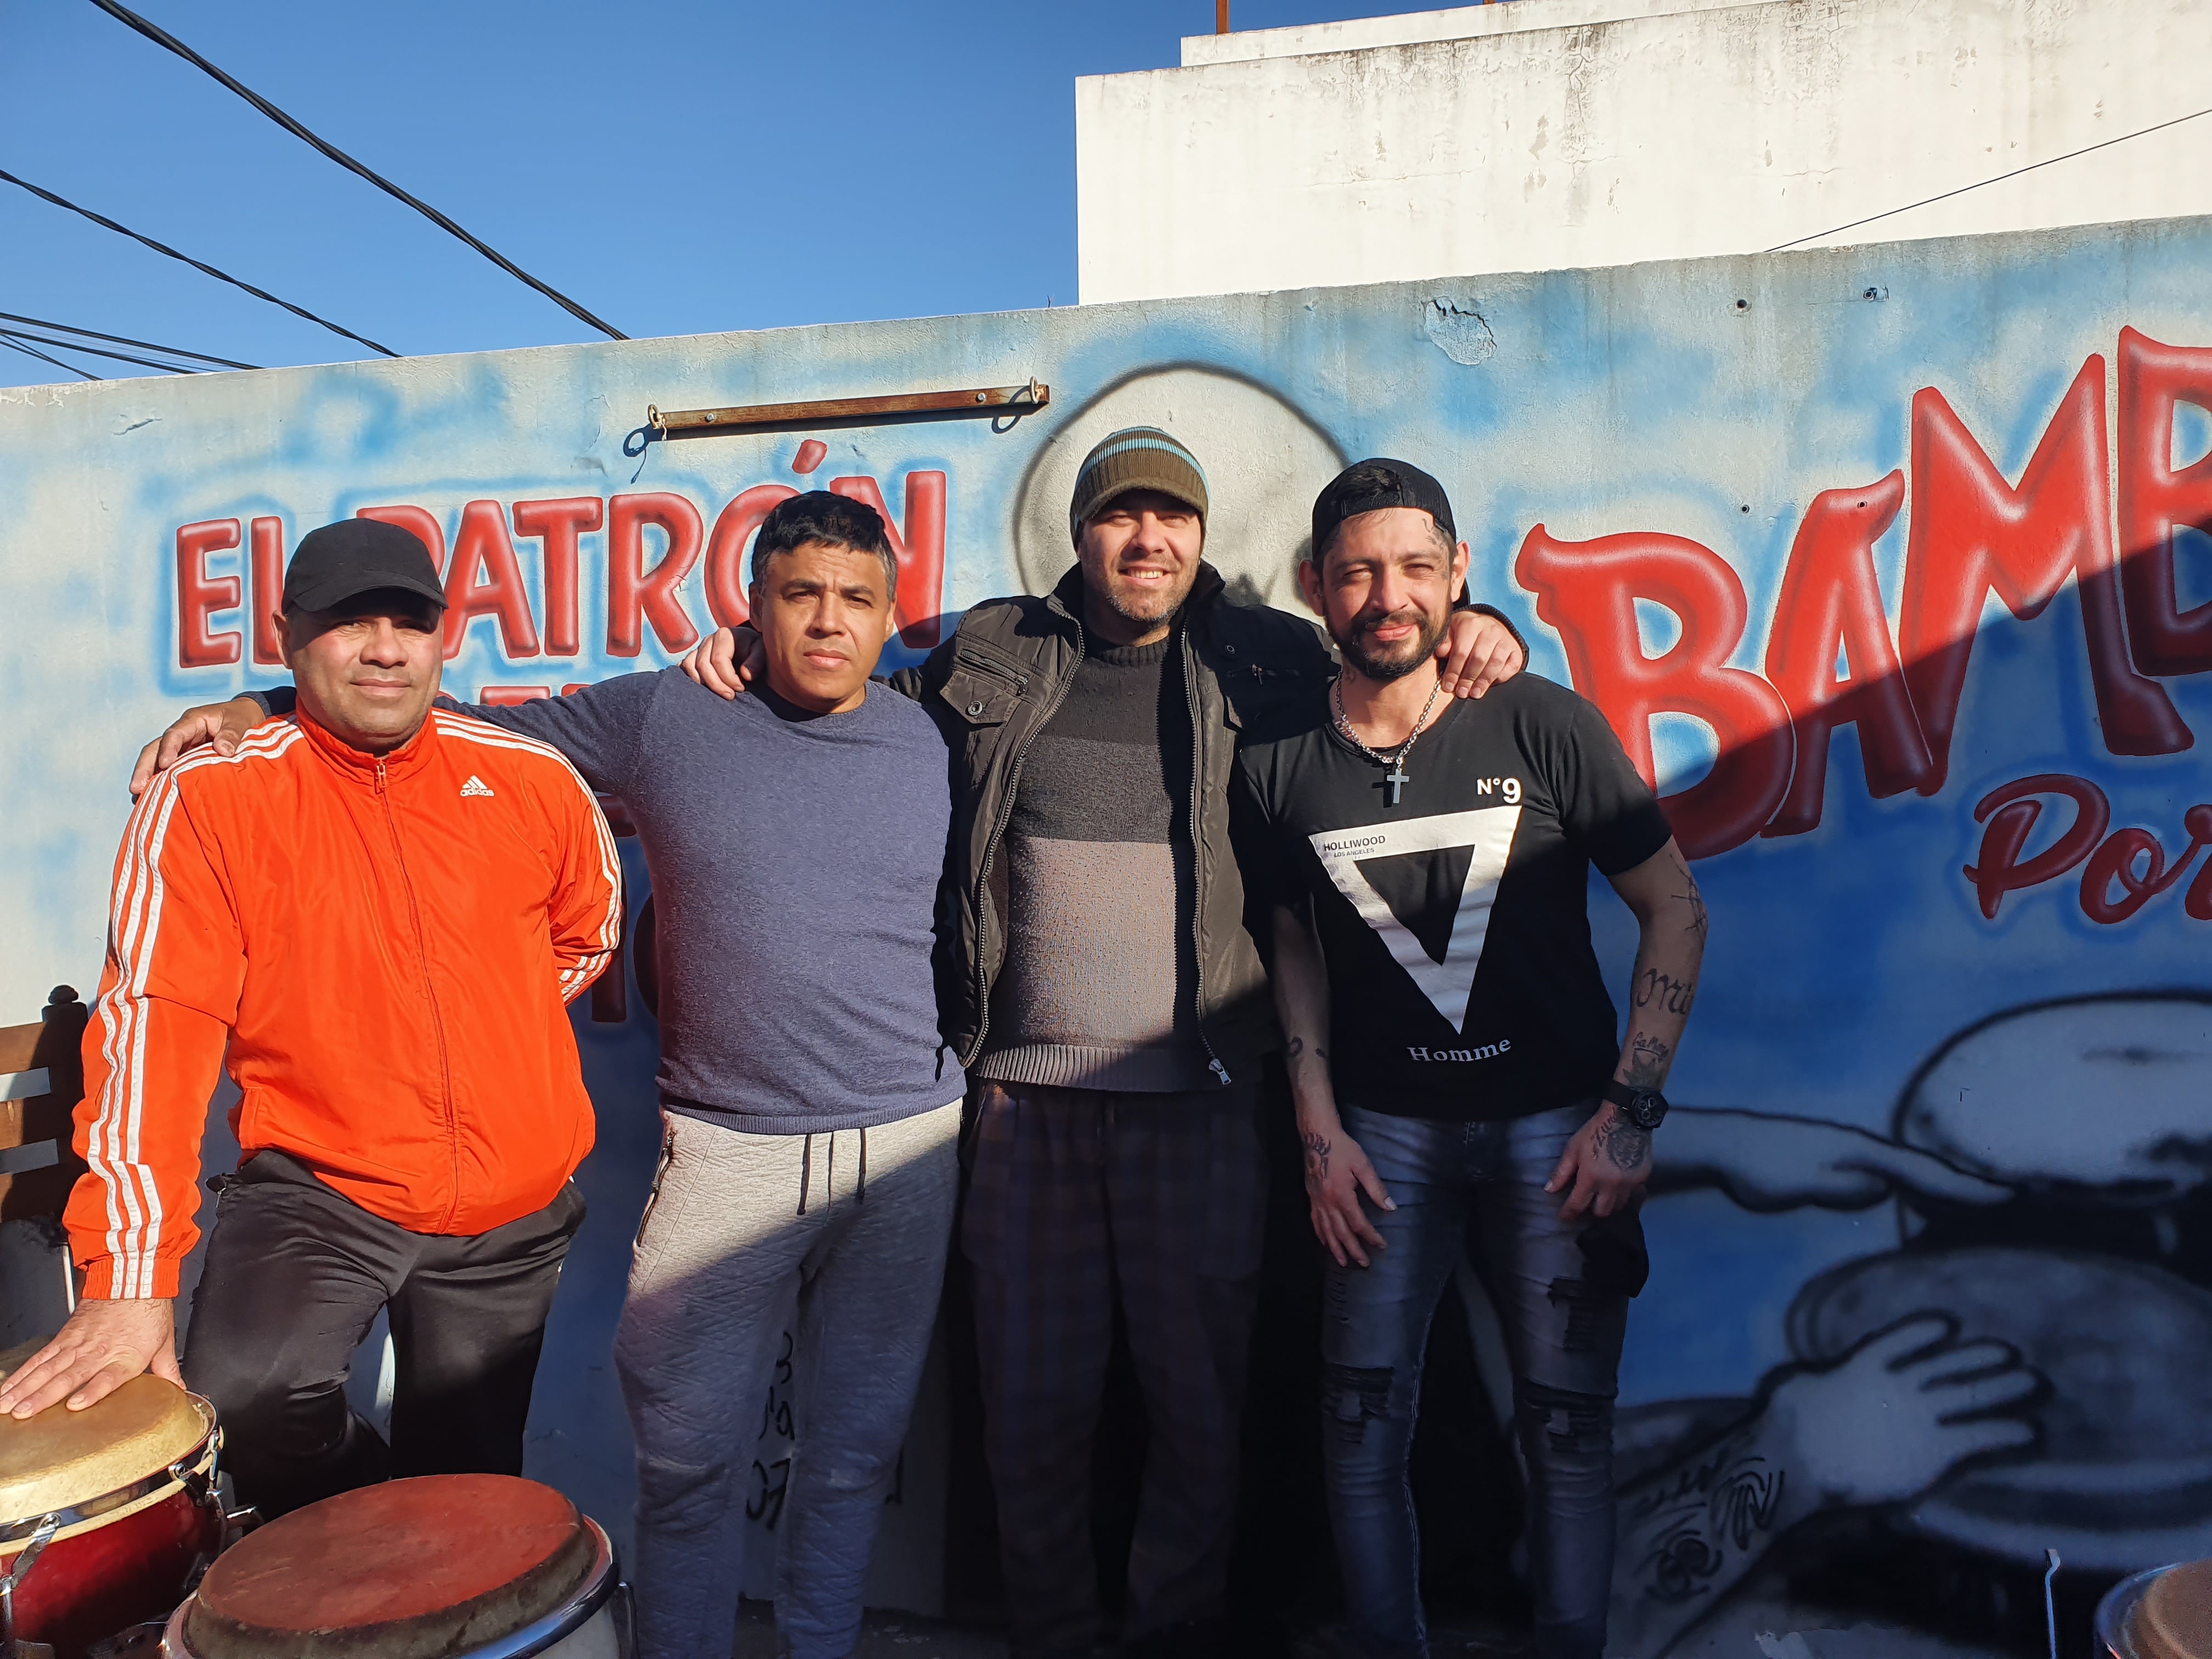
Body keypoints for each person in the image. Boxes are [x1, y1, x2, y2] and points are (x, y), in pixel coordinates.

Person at [681, 429, 1531, 1658]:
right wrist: (749, 654)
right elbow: (850, 697)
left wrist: (1483, 617)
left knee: (1200, 1413)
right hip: (1023, 1111)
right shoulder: (993, 649)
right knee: (1031, 1417)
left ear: (1199, 536)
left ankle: (1173, 1630)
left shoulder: (1264, 653)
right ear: (1079, 536)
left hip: (1203, 1101)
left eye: (1172, 518)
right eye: (1121, 519)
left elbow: (1386, 653)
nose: (1149, 541)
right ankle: (1055, 1635)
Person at [132, 493, 963, 1659]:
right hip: (730, 1150)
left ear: (890, 620)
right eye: (801, 594)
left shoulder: (930, 738)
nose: (829, 621)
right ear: (755, 607)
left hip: (913, 1147)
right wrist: (259, 706)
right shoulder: (668, 715)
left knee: (855, 1452)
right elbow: (433, 713)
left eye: (857, 600)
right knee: (685, 1458)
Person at [0, 520, 621, 1524]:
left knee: (470, 1479)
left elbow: (585, 935)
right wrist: (129, 1278)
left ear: (443, 637)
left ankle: (429, 1557)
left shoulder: (532, 779)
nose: (385, 647)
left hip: (512, 1212)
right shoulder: (211, 795)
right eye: (350, 621)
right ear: (288, 636)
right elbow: (156, 1026)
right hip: (319, 1190)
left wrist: (473, 1033)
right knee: (245, 1404)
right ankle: (378, 1520)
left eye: (410, 622)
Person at [1234, 460, 1709, 1659]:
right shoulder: (1276, 763)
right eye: (1355, 573)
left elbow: (1675, 907)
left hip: (1561, 1132)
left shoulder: (1541, 722)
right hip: (1381, 1141)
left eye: (1411, 567)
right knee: (1358, 1429)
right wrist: (1319, 1132)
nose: (1384, 596)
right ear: (1314, 589)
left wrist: (1630, 1114)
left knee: (1567, 1430)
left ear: (1456, 575)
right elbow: (1289, 948)